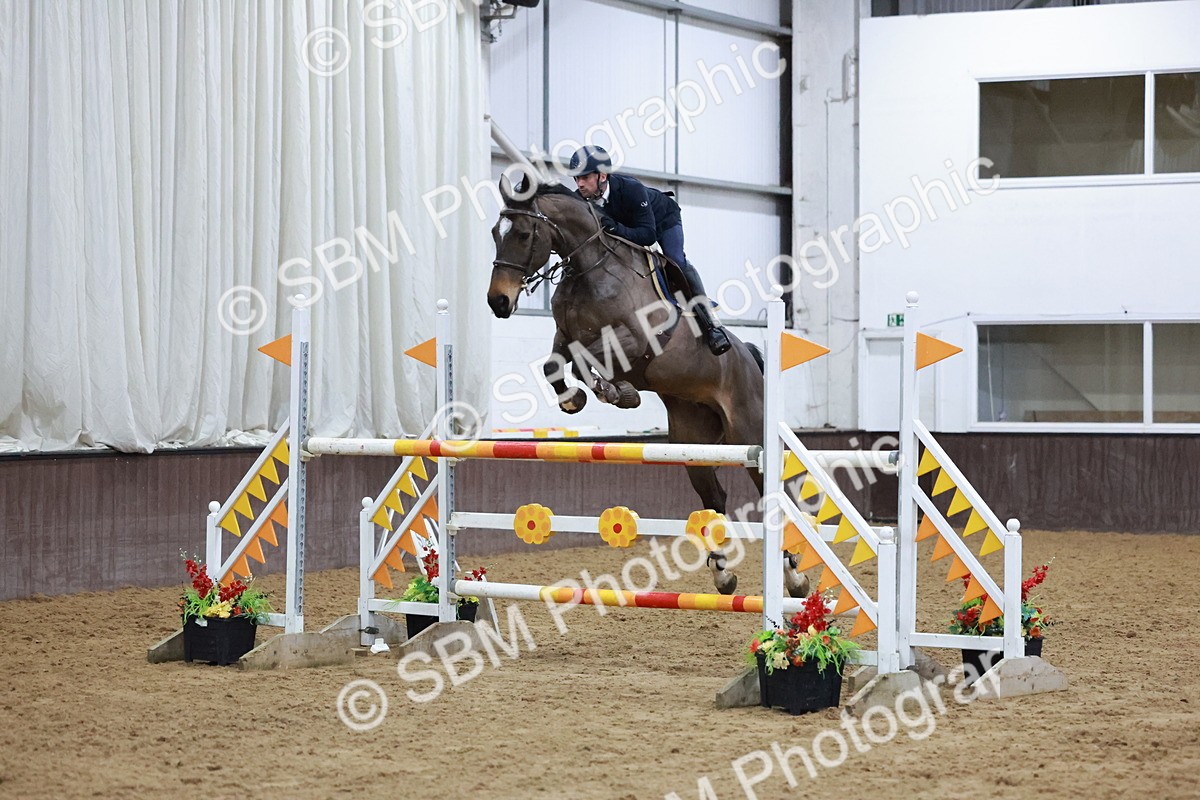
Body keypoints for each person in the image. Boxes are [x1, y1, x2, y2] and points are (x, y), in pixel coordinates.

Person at [568, 145, 731, 356]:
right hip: (628, 227)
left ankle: (711, 324)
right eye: (576, 179)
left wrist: (617, 228)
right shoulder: (580, 198)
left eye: (585, 177)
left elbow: (648, 235)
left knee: (675, 261)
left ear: (602, 175)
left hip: (662, 221)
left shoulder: (631, 189)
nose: (579, 184)